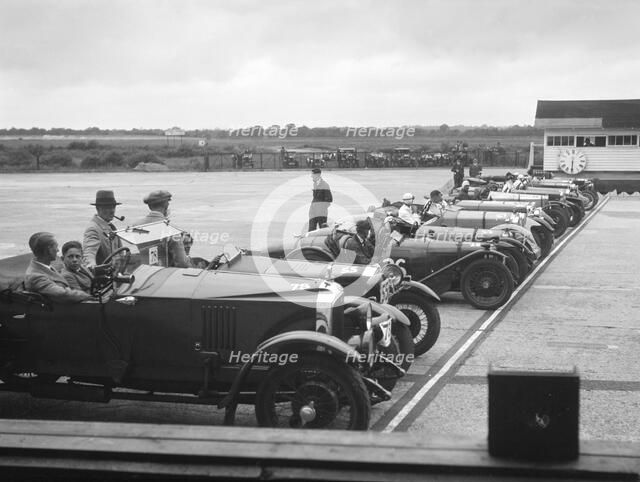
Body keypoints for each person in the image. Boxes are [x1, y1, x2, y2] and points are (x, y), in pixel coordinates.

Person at [24, 232, 93, 303]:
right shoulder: (36, 276)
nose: (58, 250)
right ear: (49, 249)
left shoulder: (45, 267)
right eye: (56, 247)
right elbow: (62, 294)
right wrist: (89, 297)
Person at [132, 190, 191, 268]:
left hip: (144, 272)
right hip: (163, 275)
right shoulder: (171, 229)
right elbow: (182, 263)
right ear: (166, 205)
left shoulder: (136, 226)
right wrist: (188, 258)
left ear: (149, 206)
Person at [83, 190, 123, 269]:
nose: (112, 211)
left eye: (113, 207)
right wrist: (92, 267)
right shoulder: (93, 229)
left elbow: (120, 252)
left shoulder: (111, 227)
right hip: (103, 277)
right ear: (98, 208)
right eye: (108, 207)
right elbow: (89, 252)